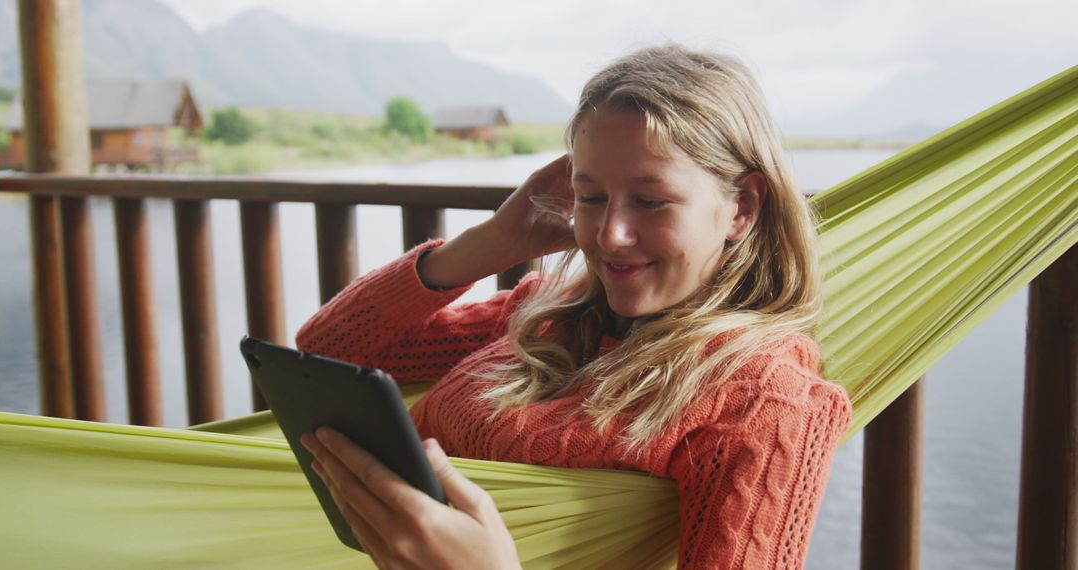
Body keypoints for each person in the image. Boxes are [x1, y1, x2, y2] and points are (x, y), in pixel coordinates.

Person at [296, 43, 852, 569]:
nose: (610, 236)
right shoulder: (543, 314)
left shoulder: (763, 400)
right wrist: (492, 243)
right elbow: (331, 349)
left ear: (742, 208)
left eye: (650, 201)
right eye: (590, 197)